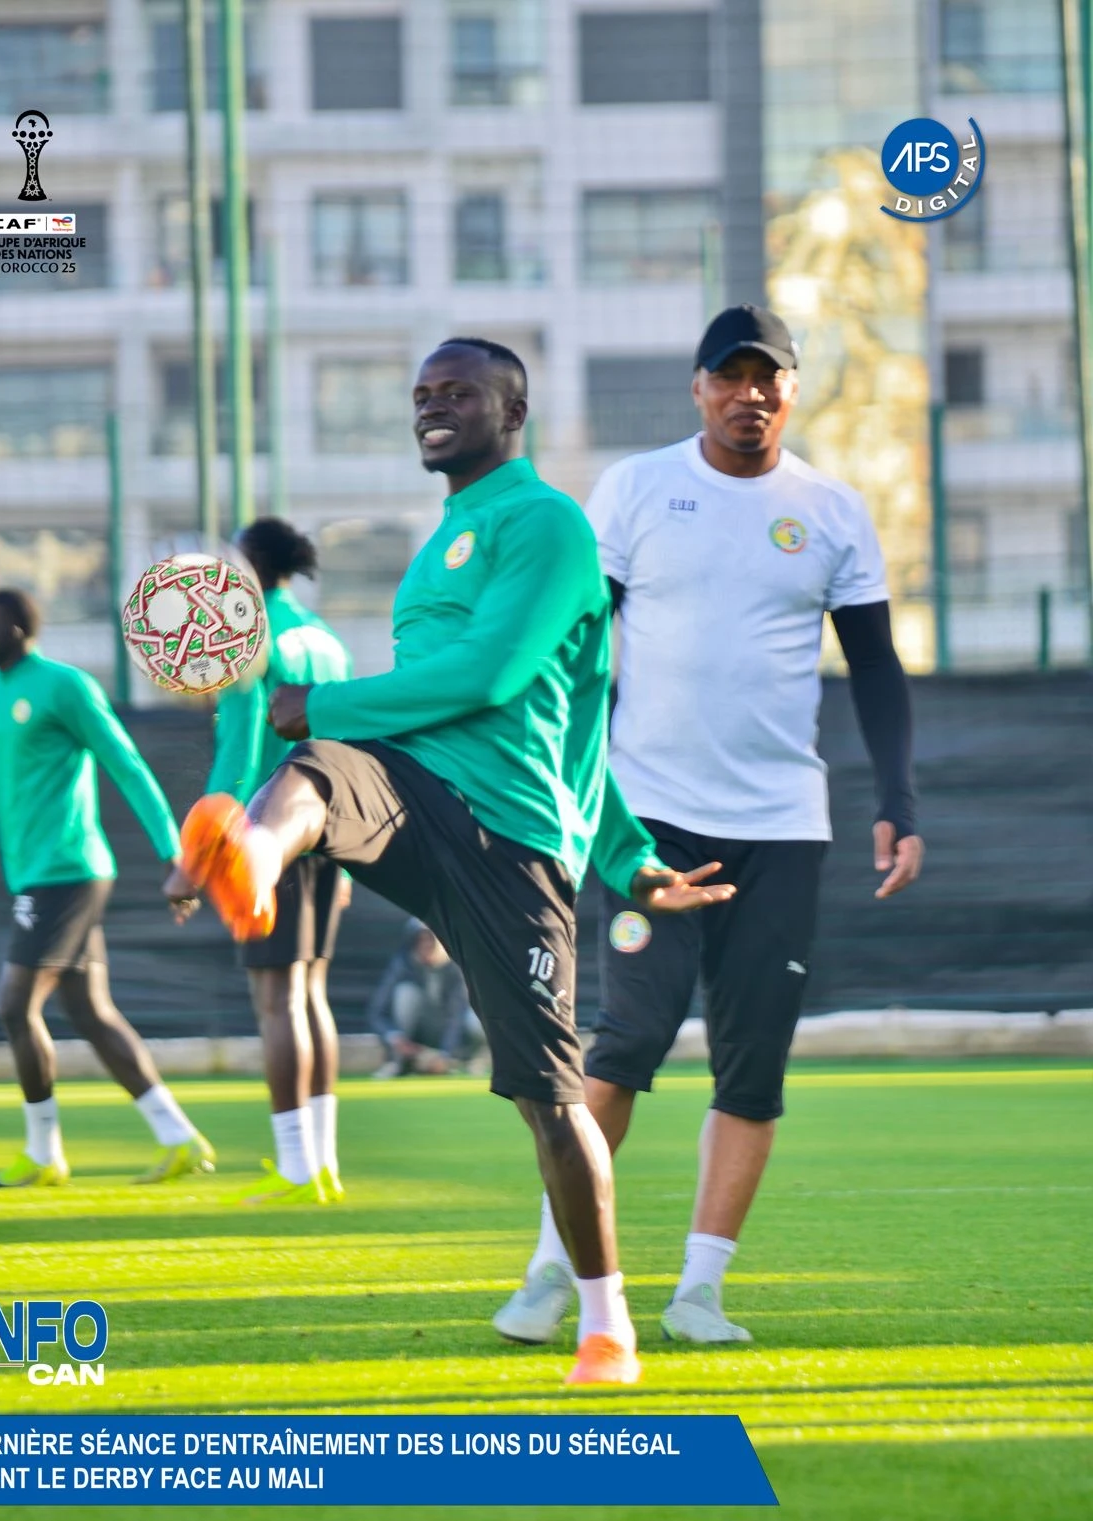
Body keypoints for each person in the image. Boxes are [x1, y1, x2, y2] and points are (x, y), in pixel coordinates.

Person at [174, 337, 735, 1385]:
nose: (433, 405)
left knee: (549, 1101)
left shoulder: (547, 524)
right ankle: (249, 853)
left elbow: (508, 685)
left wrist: (632, 860)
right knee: (320, 767)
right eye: (422, 393)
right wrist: (323, 723)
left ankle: (605, 1325)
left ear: (511, 409)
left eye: (458, 391)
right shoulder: (443, 542)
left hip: (513, 848)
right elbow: (439, 701)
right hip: (420, 802)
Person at [494, 304, 924, 1348]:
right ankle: (559, 1268)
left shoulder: (829, 510)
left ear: (789, 389)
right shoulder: (638, 490)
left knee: (754, 1069)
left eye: (767, 378)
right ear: (698, 389)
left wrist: (898, 801)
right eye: (729, 378)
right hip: (646, 823)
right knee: (628, 1040)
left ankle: (698, 1292)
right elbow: (578, 654)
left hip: (783, 830)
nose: (750, 396)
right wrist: (565, 785)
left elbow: (874, 664)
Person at [0, 589, 213, 1187]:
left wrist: (176, 855)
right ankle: (180, 1137)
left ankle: (45, 1153)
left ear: (16, 628)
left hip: (70, 870)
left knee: (14, 1005)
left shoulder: (65, 686)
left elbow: (126, 764)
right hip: (38, 876)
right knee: (91, 1012)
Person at [167, 517, 352, 1205]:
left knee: (276, 1001)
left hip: (265, 841)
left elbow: (239, 758)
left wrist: (196, 861)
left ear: (248, 567)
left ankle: (296, 1169)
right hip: (329, 828)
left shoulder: (250, 636)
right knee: (311, 995)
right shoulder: (326, 638)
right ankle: (324, 1164)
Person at [369, 918, 484, 1078]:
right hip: (417, 1038)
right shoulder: (402, 965)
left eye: (431, 939)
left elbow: (457, 1015)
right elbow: (377, 1012)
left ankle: (464, 1060)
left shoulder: (455, 967)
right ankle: (400, 1061)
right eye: (420, 940)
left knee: (477, 1020)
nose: (426, 945)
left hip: (452, 1038)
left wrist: (445, 1054)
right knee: (405, 993)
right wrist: (395, 1037)